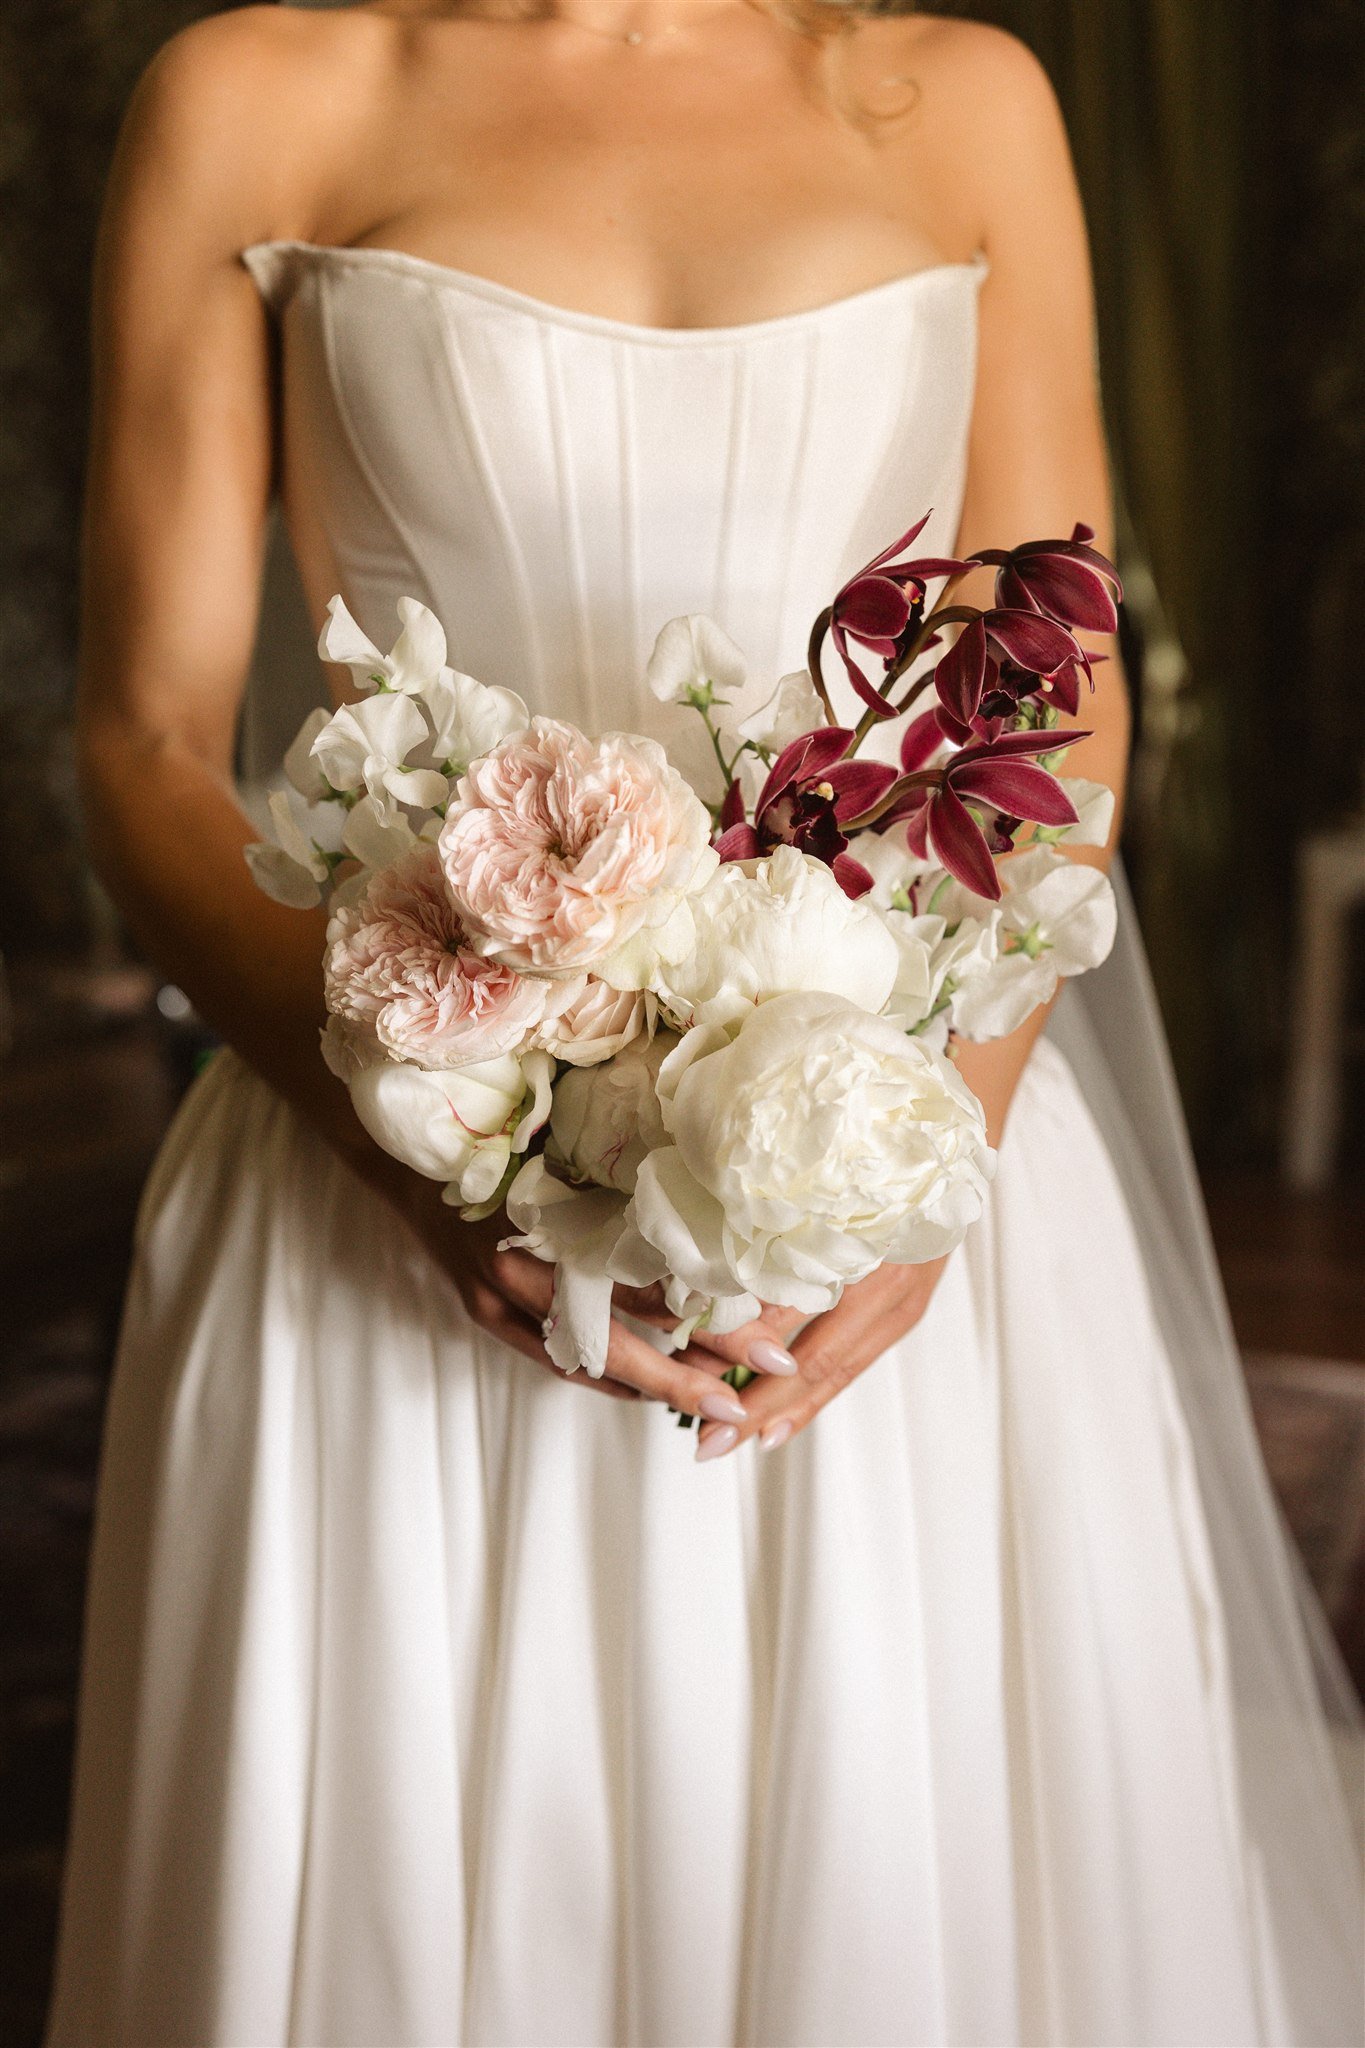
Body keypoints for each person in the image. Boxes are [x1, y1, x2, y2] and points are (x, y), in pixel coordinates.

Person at [46, 3, 1364, 2042]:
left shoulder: (959, 98)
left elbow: (1047, 687)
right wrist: (429, 1164)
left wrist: (927, 1154)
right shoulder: (261, 93)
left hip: (889, 1180)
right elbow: (140, 738)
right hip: (380, 1174)